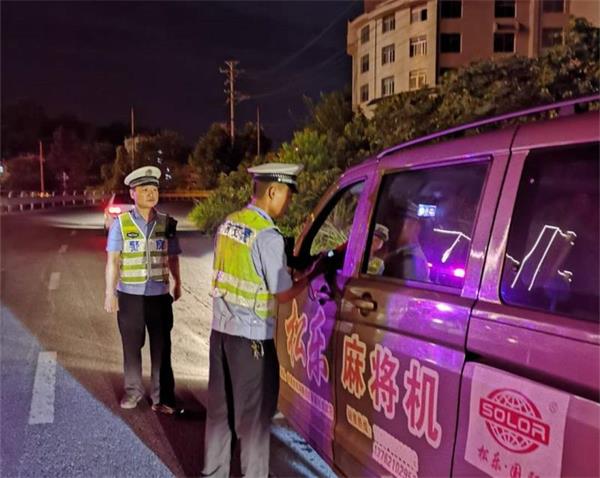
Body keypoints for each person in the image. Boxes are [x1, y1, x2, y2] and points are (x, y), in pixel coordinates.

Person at [202, 162, 304, 478]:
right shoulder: (268, 236)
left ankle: (213, 473)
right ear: (272, 191)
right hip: (252, 342)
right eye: (288, 195)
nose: (289, 203)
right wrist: (309, 278)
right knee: (255, 420)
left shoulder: (229, 224)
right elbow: (283, 294)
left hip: (221, 336)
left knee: (220, 413)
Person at [104, 166, 182, 414]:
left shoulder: (167, 222)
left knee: (162, 348)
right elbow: (113, 261)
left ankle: (162, 398)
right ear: (133, 193)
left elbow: (173, 257)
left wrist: (178, 282)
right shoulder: (121, 224)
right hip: (130, 297)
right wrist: (109, 293)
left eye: (154, 189)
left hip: (159, 297)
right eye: (145, 189)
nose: (150, 194)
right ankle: (133, 392)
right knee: (132, 347)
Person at [384, 201, 430, 281]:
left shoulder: (411, 261)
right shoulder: (401, 254)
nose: (394, 227)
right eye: (394, 222)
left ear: (415, 227)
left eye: (401, 223)